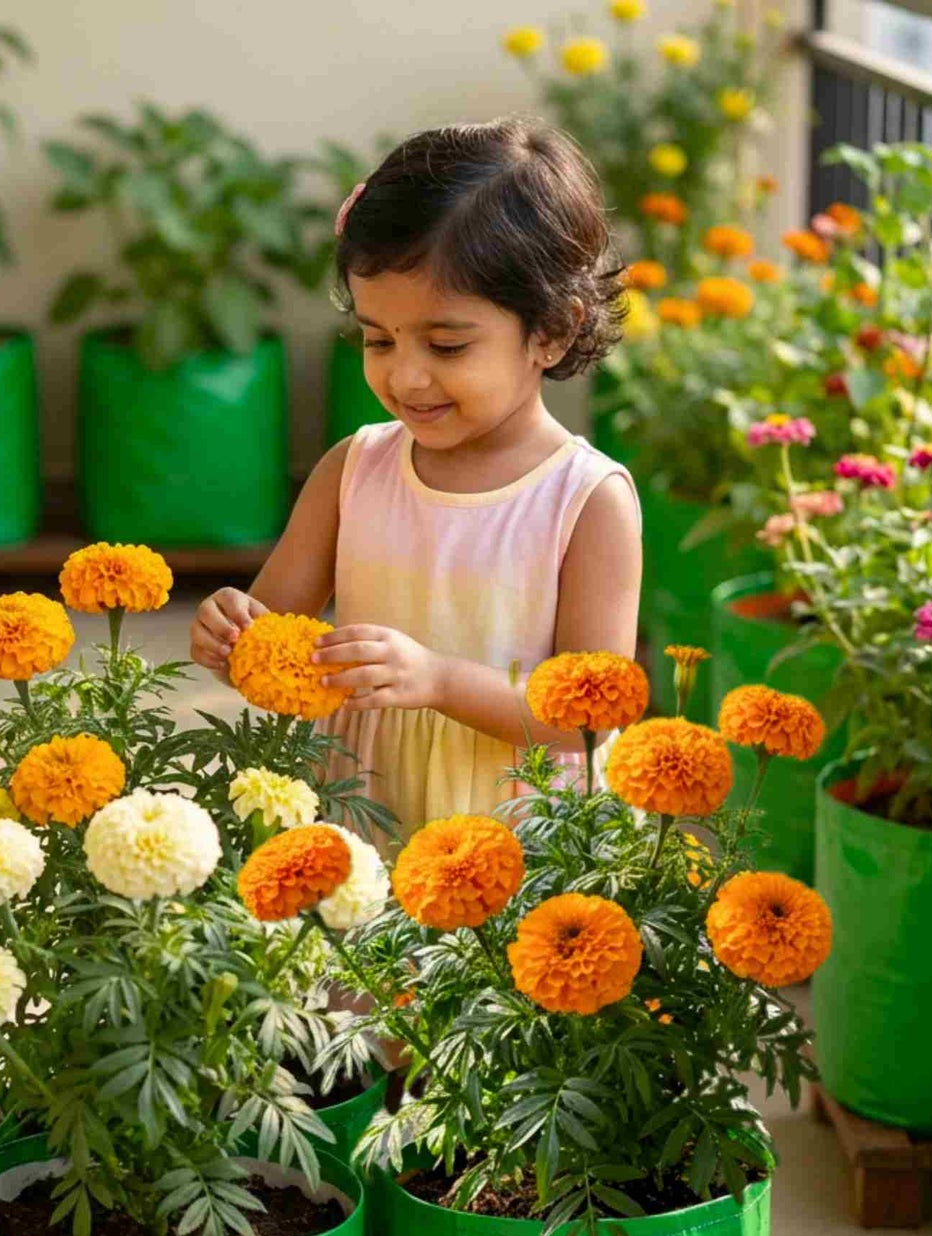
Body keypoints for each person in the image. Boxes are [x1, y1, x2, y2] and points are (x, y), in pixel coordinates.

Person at [190, 118, 642, 841]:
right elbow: (272, 640)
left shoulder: (585, 501)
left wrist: (438, 681)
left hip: (514, 831)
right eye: (378, 339)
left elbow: (589, 715)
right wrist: (232, 636)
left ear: (552, 331)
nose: (405, 376)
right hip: (363, 803)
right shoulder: (353, 470)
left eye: (446, 345)